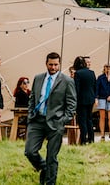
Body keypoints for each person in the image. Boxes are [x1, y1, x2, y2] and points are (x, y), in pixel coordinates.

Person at [24, 52, 76, 185]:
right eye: (50, 64)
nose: (53, 67)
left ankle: (50, 182)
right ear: (46, 64)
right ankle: (44, 167)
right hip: (37, 120)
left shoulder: (67, 81)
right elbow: (33, 99)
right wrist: (30, 115)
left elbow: (72, 104)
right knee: (30, 151)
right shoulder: (38, 78)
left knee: (51, 157)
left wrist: (63, 120)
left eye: (56, 65)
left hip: (55, 122)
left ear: (59, 64)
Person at [73, 56, 96, 145]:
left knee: (82, 120)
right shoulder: (91, 73)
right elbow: (94, 85)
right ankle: (91, 138)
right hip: (90, 98)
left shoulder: (78, 73)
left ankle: (83, 139)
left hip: (81, 100)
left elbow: (77, 88)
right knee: (89, 119)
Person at [96, 63, 110, 141]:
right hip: (102, 98)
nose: (108, 68)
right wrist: (96, 98)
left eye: (109, 67)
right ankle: (102, 134)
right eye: (106, 67)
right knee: (102, 117)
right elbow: (97, 88)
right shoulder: (100, 78)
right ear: (104, 68)